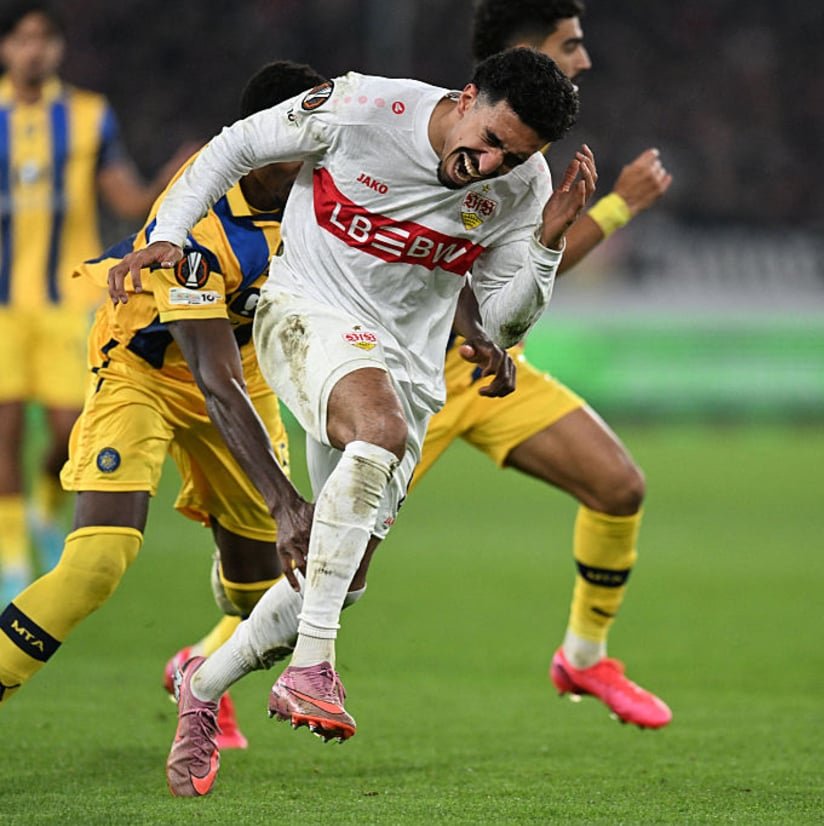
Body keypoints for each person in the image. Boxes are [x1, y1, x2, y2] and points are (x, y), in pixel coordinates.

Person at [108, 47, 590, 796]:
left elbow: (499, 324)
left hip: (409, 370)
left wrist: (547, 245)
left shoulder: (523, 186)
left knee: (339, 573)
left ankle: (202, 685)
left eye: (516, 155)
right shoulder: (365, 108)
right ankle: (312, 667)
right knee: (379, 432)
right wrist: (170, 228)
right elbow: (235, 145)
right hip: (307, 313)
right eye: (492, 140)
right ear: (466, 97)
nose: (492, 165)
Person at [0, 63, 336, 733]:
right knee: (97, 562)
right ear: (263, 135)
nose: (319, 154)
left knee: (262, 595)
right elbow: (211, 376)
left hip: (244, 373)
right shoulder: (199, 217)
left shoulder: (326, 198)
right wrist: (284, 501)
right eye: (304, 138)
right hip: (146, 371)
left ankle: (196, 666)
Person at [415, 0, 674, 727]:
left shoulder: (525, 147)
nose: (584, 58)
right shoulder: (465, 142)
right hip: (414, 375)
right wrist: (619, 207)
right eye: (571, 43)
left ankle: (584, 658)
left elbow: (528, 274)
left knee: (617, 487)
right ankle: (207, 662)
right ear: (529, 49)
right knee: (327, 558)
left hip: (489, 371)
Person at [0, 2, 192, 600]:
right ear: (6, 47)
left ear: (59, 48)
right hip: (2, 307)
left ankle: (47, 498)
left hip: (67, 301)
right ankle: (11, 563)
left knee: (69, 428)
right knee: (4, 431)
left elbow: (128, 201)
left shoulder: (87, 116)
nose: (34, 50)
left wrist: (174, 176)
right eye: (22, 38)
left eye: (45, 38)